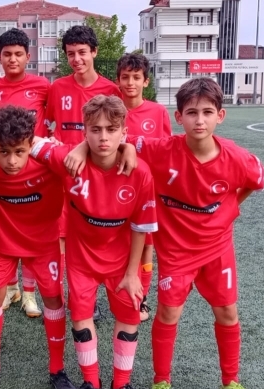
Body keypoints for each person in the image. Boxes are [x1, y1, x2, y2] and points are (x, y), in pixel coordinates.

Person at [130, 78, 264, 389]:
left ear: (220, 115)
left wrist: (230, 206)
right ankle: (161, 381)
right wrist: (80, 149)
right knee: (168, 313)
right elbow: (119, 141)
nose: (199, 120)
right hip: (176, 252)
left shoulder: (236, 157)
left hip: (218, 249)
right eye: (191, 112)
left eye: (207, 112)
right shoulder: (161, 149)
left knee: (227, 312)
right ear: (179, 117)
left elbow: (256, 180)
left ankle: (230, 382)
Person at [29, 95, 157, 389]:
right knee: (81, 318)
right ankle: (91, 384)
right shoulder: (69, 161)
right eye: (95, 130)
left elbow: (141, 226)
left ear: (124, 133)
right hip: (82, 260)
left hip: (123, 262)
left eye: (111, 130)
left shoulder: (139, 172)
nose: (103, 137)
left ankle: (121, 386)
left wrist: (133, 273)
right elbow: (30, 142)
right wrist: (77, 149)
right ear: (84, 131)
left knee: (129, 319)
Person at [45, 25, 121, 321]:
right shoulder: (58, 88)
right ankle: (70, 297)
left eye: (82, 52)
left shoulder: (111, 91)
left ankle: (95, 298)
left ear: (95, 52)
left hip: (97, 177)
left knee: (96, 237)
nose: (76, 59)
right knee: (62, 237)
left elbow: (117, 135)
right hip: (62, 175)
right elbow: (50, 126)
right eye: (70, 54)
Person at [0, 28, 51, 318]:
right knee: (7, 230)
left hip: (36, 171)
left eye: (18, 54)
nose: (13, 59)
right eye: (7, 54)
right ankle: (11, 288)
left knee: (32, 230)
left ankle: (29, 294)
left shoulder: (43, 86)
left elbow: (53, 121)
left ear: (28, 56)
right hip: (5, 168)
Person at [115, 52, 173, 322]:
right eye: (125, 77)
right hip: (117, 188)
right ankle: (114, 292)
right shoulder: (113, 111)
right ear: (118, 80)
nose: (130, 83)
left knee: (147, 245)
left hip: (148, 191)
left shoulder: (158, 112)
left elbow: (166, 151)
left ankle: (142, 297)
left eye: (136, 77)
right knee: (119, 243)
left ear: (146, 81)